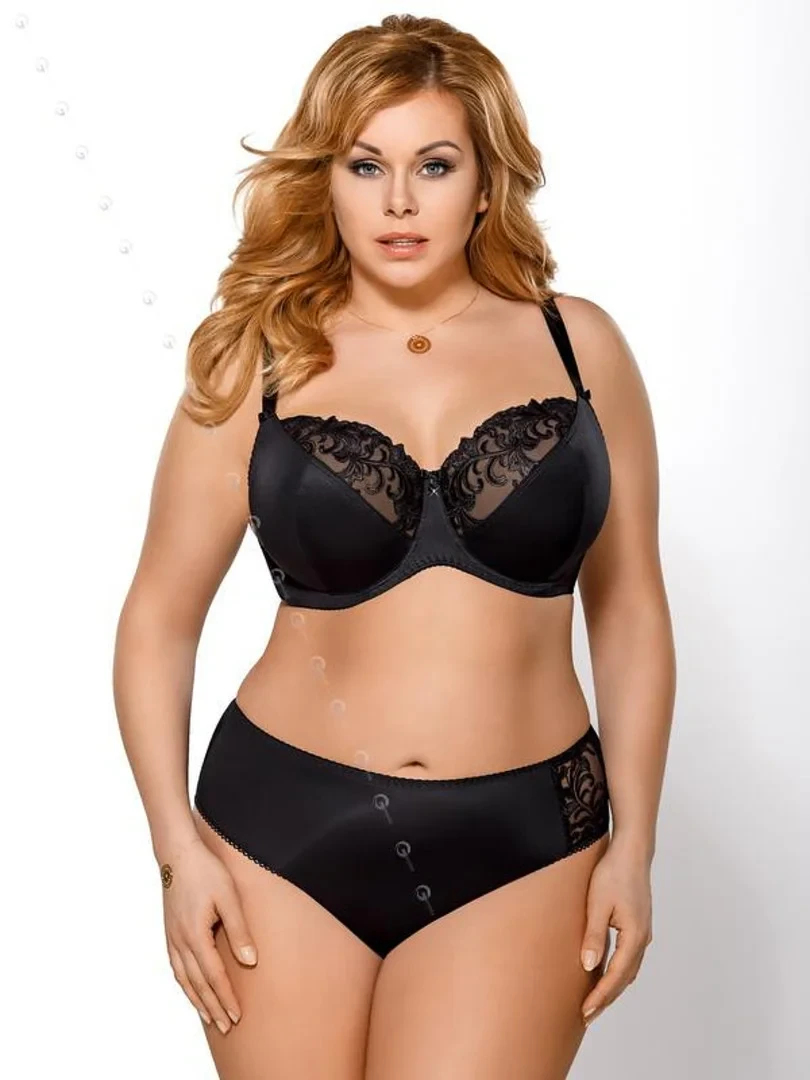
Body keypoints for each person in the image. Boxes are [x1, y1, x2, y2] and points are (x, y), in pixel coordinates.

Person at [113, 13, 676, 1079]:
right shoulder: (259, 358)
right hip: (280, 828)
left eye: (436, 164)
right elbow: (157, 617)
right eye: (366, 165)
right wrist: (175, 850)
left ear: (486, 180)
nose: (401, 201)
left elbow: (632, 608)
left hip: (526, 837)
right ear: (325, 179)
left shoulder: (578, 345)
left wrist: (638, 844)